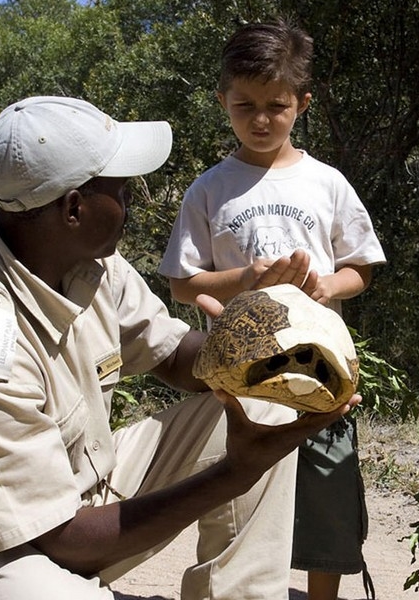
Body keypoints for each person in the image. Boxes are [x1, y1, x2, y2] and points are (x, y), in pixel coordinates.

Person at [0, 95, 360, 600]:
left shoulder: (92, 265)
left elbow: (174, 357)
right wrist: (235, 472)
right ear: (74, 207)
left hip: (87, 490)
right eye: (120, 187)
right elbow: (60, 541)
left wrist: (250, 343)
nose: (131, 197)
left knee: (261, 401)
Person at [158, 20, 386, 600]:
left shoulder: (326, 183)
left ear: (301, 104)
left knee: (327, 487)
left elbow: (360, 267)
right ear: (222, 102)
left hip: (321, 370)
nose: (260, 119)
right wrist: (245, 279)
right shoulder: (209, 189)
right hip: (241, 375)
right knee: (239, 494)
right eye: (245, 106)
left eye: (276, 106)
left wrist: (327, 287)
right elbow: (183, 282)